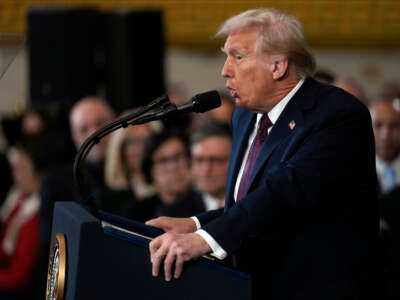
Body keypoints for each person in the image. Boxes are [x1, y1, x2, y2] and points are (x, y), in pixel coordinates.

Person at [146, 8, 378, 300]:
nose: (225, 70)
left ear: (278, 65)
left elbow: (284, 194)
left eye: (238, 56)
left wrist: (206, 239)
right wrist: (196, 223)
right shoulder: (244, 117)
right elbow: (251, 203)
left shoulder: (337, 115)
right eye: (225, 56)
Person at [0, 134, 51, 299]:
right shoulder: (18, 199)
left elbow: (19, 278)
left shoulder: (35, 219)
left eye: (21, 169)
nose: (15, 176)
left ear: (39, 175)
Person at [159, 123, 231, 217]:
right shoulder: (172, 215)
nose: (206, 169)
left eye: (216, 160)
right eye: (199, 160)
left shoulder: (251, 203)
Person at [125, 130, 193, 222]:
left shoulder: (210, 203)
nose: (173, 167)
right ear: (150, 170)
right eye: (163, 161)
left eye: (178, 157)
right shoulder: (136, 214)